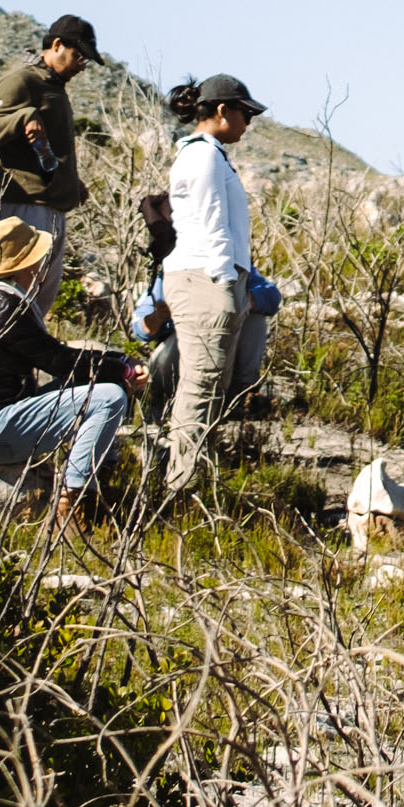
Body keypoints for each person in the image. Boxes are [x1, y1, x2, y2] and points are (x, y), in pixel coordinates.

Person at [0, 213, 143, 544]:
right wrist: (124, 370)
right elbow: (59, 361)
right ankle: (73, 501)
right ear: (21, 264)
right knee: (108, 397)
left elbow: (58, 359)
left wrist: (119, 364)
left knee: (99, 387)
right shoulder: (3, 308)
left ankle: (96, 484)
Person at [153, 73, 275, 512]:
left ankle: (186, 484)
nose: (249, 122)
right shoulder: (203, 158)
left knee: (207, 387)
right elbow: (213, 226)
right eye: (245, 112)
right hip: (207, 280)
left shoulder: (208, 156)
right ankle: (179, 493)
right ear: (222, 111)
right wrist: (227, 285)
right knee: (200, 388)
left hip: (208, 279)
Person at [0, 15, 101, 254]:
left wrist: (69, 180)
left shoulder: (54, 87)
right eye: (78, 56)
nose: (81, 66)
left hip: (51, 210)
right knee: (12, 289)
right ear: (56, 45)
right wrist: (23, 116)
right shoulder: (23, 80)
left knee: (41, 291)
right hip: (23, 207)